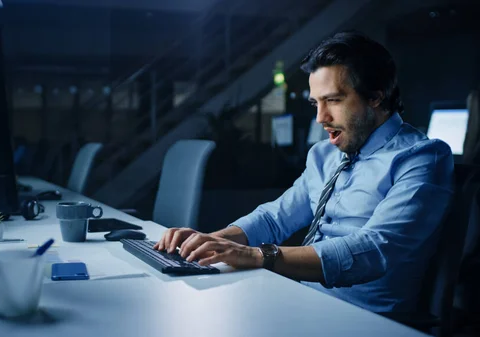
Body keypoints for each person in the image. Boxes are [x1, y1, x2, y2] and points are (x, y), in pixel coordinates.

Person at [154, 31, 454, 313]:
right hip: (299, 298)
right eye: (316, 103)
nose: (321, 118)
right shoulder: (324, 154)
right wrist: (211, 242)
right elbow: (275, 217)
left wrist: (255, 256)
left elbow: (376, 250)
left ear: (375, 96)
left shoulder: (423, 157)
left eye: (334, 100)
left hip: (361, 318)